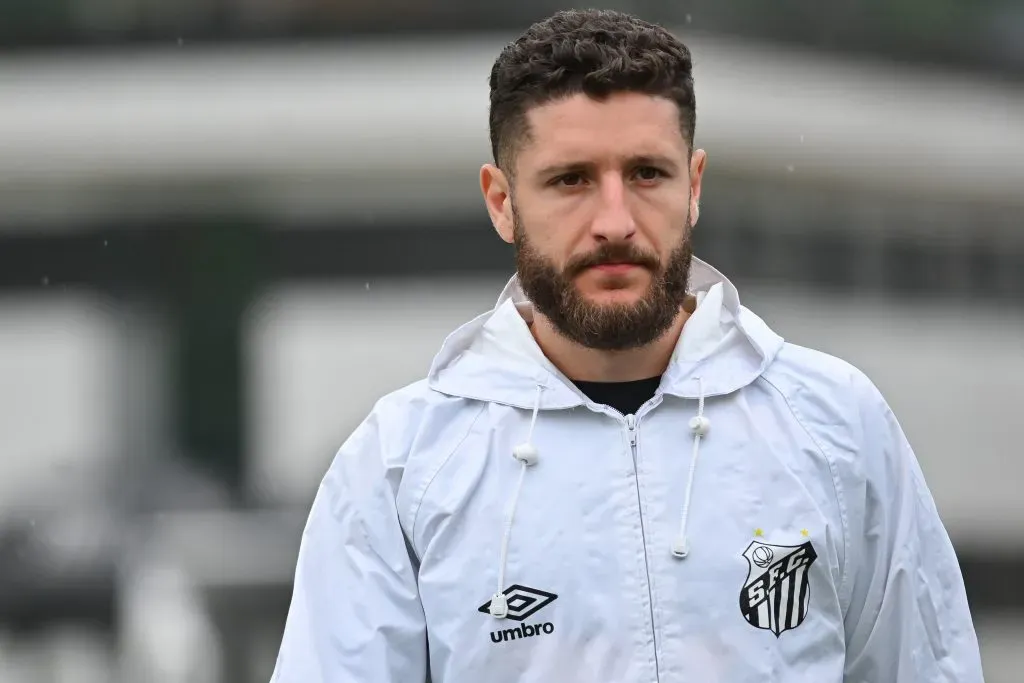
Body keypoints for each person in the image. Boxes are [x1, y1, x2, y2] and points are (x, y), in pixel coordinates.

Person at [270, 9, 984, 682]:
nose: (615, 220)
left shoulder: (836, 424)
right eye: (571, 180)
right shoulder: (400, 463)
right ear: (500, 201)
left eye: (646, 173)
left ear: (694, 186)